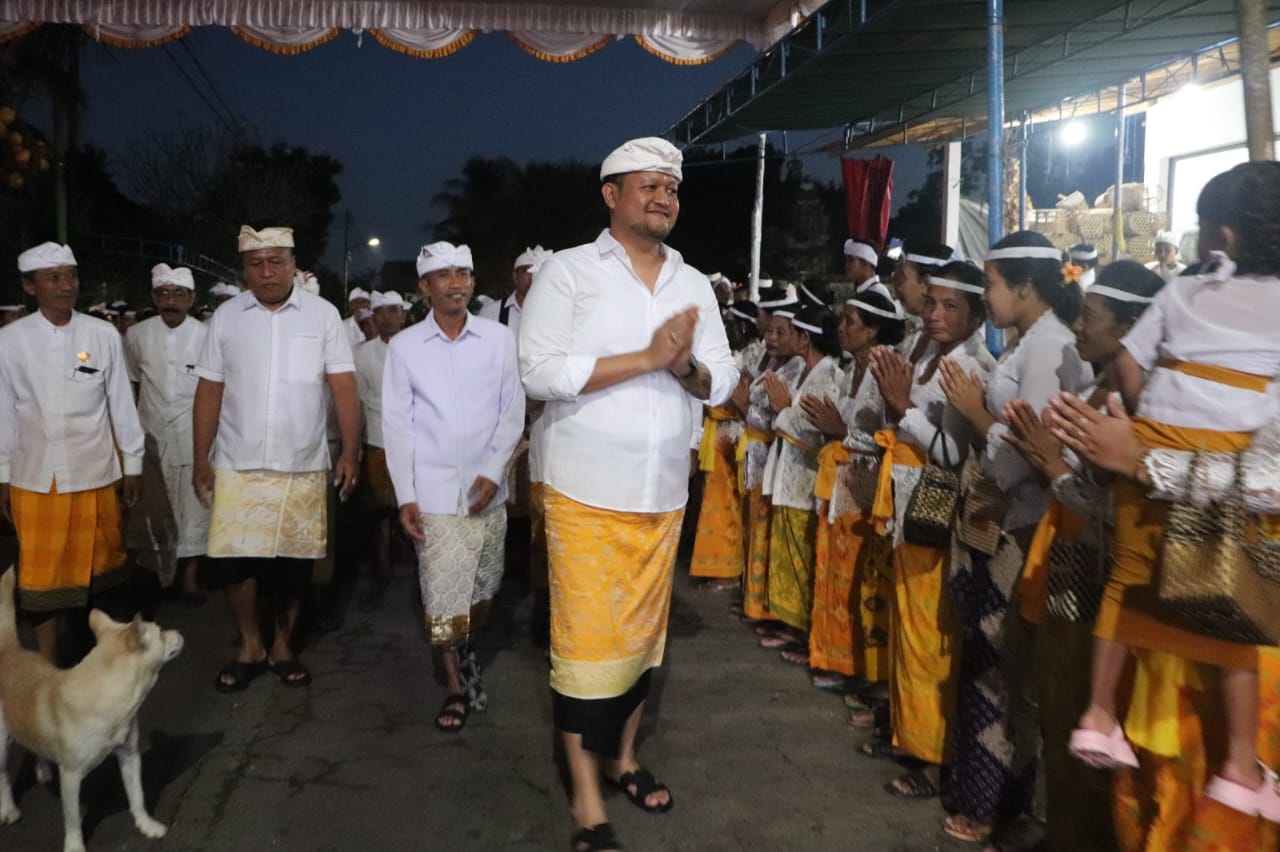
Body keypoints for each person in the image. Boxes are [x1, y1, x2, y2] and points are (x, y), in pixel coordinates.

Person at [518, 136, 737, 852]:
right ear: (610, 194)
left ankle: (625, 758)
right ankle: (587, 802)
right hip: (585, 488)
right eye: (648, 186)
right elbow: (540, 372)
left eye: (671, 188)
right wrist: (646, 357)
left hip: (663, 492)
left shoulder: (692, 280)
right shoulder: (568, 273)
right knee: (586, 646)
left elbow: (723, 376)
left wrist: (686, 373)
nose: (664, 198)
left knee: (643, 642)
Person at [1067, 161, 1280, 821]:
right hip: (1232, 492)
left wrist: (1145, 443)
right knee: (1241, 613)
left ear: (1222, 237)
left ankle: (1100, 716)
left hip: (1157, 454)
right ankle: (1242, 765)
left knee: (1130, 580)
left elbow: (1131, 359)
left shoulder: (1182, 295)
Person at [1049, 392, 1280, 852]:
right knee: (1151, 796)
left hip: (1244, 626)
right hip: (1156, 619)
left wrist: (1144, 461)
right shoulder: (1167, 386)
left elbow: (1270, 484)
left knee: (1215, 820)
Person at [1002, 260, 1164, 852]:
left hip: (1106, 588)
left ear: (1131, 328)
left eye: (1091, 319)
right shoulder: (1099, 386)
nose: (1078, 328)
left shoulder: (1142, 401)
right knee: (1059, 715)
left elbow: (1129, 515)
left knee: (1093, 731)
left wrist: (1052, 468)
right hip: (1069, 575)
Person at [938, 232, 1090, 844]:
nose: (985, 296)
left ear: (1024, 287)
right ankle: (984, 793)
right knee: (987, 666)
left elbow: (1026, 454)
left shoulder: (1051, 347)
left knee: (1003, 672)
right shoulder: (1030, 344)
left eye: (990, 285)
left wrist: (976, 413)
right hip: (998, 524)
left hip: (1019, 528)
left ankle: (1002, 806)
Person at [193, 225, 360, 693]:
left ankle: (284, 645)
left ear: (292, 263)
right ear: (244, 269)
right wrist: (200, 456)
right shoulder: (226, 317)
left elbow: (343, 385)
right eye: (255, 264)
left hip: (302, 460)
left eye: (275, 262)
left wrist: (349, 449)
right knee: (235, 562)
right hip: (237, 459)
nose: (266, 273)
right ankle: (249, 645)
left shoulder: (323, 315)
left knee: (294, 564)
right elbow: (209, 388)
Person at [864, 261, 996, 798]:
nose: (935, 314)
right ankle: (907, 736)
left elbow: (951, 453)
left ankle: (936, 759)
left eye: (950, 306)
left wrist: (902, 408)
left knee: (934, 639)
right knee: (910, 631)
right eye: (933, 303)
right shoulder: (936, 355)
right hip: (909, 506)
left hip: (940, 513)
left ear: (976, 312)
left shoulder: (974, 367)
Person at [383, 241, 524, 731]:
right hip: (436, 497)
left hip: (489, 496)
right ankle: (456, 685)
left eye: (464, 273)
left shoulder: (499, 339)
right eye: (444, 275)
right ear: (425, 287)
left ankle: (464, 652)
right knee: (443, 595)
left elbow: (512, 411)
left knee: (482, 589)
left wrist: (493, 468)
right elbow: (397, 427)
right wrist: (406, 495)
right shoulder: (404, 348)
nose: (457, 283)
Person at [0, 242, 145, 663]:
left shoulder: (101, 334)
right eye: (54, 278)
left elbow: (121, 403)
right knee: (40, 582)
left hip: (95, 474)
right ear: (31, 287)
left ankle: (106, 657)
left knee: (105, 575)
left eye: (71, 276)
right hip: (35, 477)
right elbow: (4, 413)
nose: (66, 286)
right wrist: (2, 476)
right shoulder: (9, 341)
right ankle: (49, 663)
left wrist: (131, 466)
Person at [802, 289, 903, 689]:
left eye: (850, 322)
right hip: (843, 489)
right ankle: (838, 662)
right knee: (837, 577)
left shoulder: (887, 370)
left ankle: (867, 674)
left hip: (870, 495)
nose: (841, 329)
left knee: (867, 583)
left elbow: (891, 435)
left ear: (874, 329)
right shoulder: (850, 368)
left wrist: (842, 433)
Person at [756, 303, 844, 659]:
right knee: (789, 555)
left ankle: (802, 632)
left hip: (807, 479)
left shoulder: (829, 377)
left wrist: (783, 411)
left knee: (803, 559)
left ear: (805, 339)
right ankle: (788, 624)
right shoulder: (802, 373)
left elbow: (815, 431)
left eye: (791, 332)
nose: (784, 337)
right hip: (788, 476)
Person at [123, 263, 210, 604]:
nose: (170, 301)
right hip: (152, 434)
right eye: (164, 294)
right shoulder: (137, 335)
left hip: (194, 435)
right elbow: (131, 382)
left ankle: (189, 578)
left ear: (192, 299)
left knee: (194, 508)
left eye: (178, 295)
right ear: (153, 297)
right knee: (155, 509)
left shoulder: (206, 336)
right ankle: (157, 576)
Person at [739, 286, 804, 623]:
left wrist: (744, 400)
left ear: (799, 336)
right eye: (770, 332)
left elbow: (765, 409)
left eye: (782, 332)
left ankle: (765, 606)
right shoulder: (773, 364)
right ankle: (753, 599)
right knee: (754, 528)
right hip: (756, 454)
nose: (773, 339)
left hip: (772, 455)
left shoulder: (795, 369)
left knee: (767, 531)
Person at [354, 290, 407, 611]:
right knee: (380, 510)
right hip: (376, 437)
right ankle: (383, 566)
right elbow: (358, 401)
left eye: (393, 311)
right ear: (373, 316)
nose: (387, 317)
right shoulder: (362, 354)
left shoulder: (416, 348)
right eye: (381, 312)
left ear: (403, 315)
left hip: (414, 438)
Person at [891, 244, 953, 364]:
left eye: (903, 278)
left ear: (925, 283)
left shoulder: (946, 343)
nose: (900, 289)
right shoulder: (917, 336)